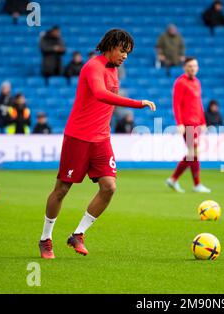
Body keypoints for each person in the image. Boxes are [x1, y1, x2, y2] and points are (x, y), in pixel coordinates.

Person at [38, 29, 156, 259]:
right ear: (110, 46)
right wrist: (137, 103)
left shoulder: (114, 71)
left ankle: (78, 234)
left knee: (109, 187)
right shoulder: (93, 66)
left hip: (101, 139)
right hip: (78, 137)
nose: (125, 56)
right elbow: (100, 94)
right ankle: (45, 239)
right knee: (62, 190)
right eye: (122, 51)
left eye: (128, 53)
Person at [165, 57, 211, 194]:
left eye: (195, 66)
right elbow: (176, 104)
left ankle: (173, 180)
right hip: (188, 123)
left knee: (193, 154)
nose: (193, 68)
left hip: (197, 123)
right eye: (190, 66)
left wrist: (203, 121)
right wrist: (179, 123)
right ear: (184, 67)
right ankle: (196, 184)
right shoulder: (180, 82)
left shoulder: (197, 82)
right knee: (193, 153)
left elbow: (199, 103)